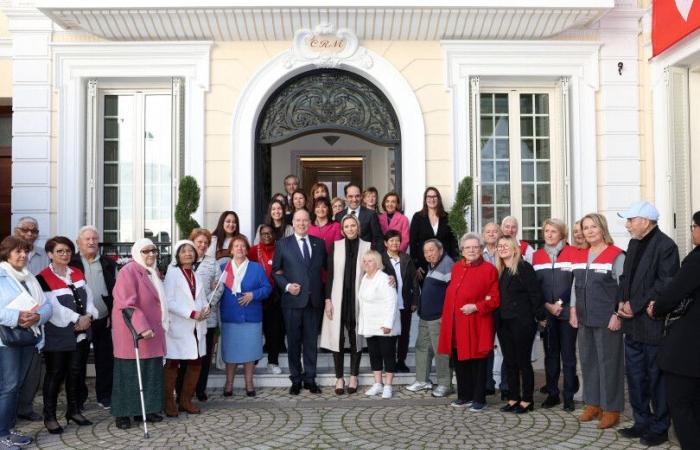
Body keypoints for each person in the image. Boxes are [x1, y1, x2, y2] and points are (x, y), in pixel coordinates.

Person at [615, 201, 679, 446]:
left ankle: (660, 427)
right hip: (631, 325)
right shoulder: (633, 243)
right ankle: (641, 421)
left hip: (652, 325)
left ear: (645, 221)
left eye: (630, 220)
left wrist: (636, 304)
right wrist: (621, 301)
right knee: (635, 376)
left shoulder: (666, 246)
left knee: (656, 378)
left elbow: (665, 283)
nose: (627, 225)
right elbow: (625, 278)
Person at [36, 236, 98, 434]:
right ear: (50, 254)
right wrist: (76, 319)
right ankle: (50, 416)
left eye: (68, 251)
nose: (65, 254)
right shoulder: (43, 277)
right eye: (60, 251)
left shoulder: (77, 272)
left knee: (76, 371)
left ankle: (73, 410)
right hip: (58, 333)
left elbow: (89, 297)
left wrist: (88, 315)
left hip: (81, 331)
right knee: (55, 374)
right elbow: (51, 307)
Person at [649, 211, 700, 450]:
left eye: (693, 227)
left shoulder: (697, 259)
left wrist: (656, 308)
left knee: (681, 403)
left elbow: (673, 293)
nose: (692, 232)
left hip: (689, 349)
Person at [569, 213, 625, 429]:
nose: (589, 231)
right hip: (584, 318)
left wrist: (617, 314)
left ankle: (612, 409)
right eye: (586, 227)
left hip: (607, 319)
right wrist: (573, 310)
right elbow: (575, 285)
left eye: (594, 227)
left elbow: (624, 288)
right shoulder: (580, 255)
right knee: (589, 363)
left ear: (602, 229)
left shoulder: (616, 255)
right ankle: (593, 404)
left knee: (609, 365)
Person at [437, 233, 500, 411]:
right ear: (462, 250)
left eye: (475, 247)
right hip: (457, 324)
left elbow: (494, 299)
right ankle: (464, 395)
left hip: (477, 322)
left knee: (478, 362)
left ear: (481, 249)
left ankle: (479, 399)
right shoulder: (457, 267)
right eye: (468, 247)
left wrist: (476, 306)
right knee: (460, 360)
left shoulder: (490, 270)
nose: (472, 250)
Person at [0, 236, 52, 449]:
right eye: (17, 251)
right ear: (6, 254)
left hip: (29, 338)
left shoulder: (30, 277)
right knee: (9, 387)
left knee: (16, 386)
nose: (23, 255)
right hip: (7, 342)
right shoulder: (1, 275)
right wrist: (18, 317)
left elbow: (47, 305)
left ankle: (8, 430)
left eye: (26, 251)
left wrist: (38, 317)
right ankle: (2, 435)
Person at [111, 239, 167, 430]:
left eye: (153, 250)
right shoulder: (128, 271)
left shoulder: (154, 271)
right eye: (146, 251)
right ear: (137, 253)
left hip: (153, 331)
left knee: (150, 371)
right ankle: (123, 413)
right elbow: (126, 303)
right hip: (133, 332)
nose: (151, 254)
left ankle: (147, 409)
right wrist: (142, 327)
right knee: (129, 373)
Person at [272, 209, 327, 395]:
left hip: (313, 301)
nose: (302, 223)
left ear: (310, 222)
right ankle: (296, 379)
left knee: (311, 342)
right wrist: (287, 286)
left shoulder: (319, 243)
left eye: (305, 220)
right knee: (294, 343)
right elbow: (276, 271)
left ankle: (310, 379)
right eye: (298, 220)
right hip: (292, 301)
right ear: (293, 223)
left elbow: (326, 271)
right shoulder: (282, 244)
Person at [532, 219, 580, 412]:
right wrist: (546, 307)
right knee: (551, 356)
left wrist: (559, 304)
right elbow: (535, 287)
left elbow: (575, 283)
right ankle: (553, 394)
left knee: (568, 356)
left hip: (567, 312)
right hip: (547, 314)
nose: (549, 234)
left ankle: (569, 396)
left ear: (562, 234)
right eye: (546, 231)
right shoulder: (537, 256)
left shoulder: (573, 253)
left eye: (553, 231)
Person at [321, 214, 370, 395]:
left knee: (355, 336)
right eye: (346, 226)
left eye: (353, 225)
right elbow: (330, 276)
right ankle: (339, 377)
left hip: (358, 299)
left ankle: (354, 376)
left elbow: (375, 269)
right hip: (337, 297)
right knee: (337, 338)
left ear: (358, 227)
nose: (350, 229)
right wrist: (327, 299)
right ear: (342, 229)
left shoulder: (367, 246)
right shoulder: (336, 246)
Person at [495, 236, 546, 414]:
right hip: (503, 323)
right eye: (499, 246)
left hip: (522, 322)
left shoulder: (524, 267)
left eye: (506, 246)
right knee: (509, 362)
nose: (502, 249)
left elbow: (535, 293)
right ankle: (513, 398)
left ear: (515, 248)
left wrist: (540, 316)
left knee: (523, 362)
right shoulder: (500, 270)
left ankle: (527, 399)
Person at [69, 226, 117, 411]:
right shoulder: (71, 263)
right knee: (78, 361)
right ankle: (78, 399)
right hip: (79, 321)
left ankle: (104, 396)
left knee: (105, 360)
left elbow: (116, 292)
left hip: (103, 319)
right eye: (87, 239)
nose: (91, 242)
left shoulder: (108, 263)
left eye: (94, 239)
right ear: (78, 242)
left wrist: (113, 314)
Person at [163, 240, 210, 417]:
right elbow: (169, 301)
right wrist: (191, 313)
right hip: (179, 327)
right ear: (177, 255)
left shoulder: (196, 275)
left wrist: (206, 308)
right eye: (184, 251)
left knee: (195, 364)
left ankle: (185, 401)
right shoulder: (173, 273)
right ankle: (168, 402)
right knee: (172, 364)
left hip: (196, 327)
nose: (188, 254)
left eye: (191, 251)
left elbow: (202, 298)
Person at [220, 236, 271, 397]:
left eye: (243, 246)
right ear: (231, 249)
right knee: (231, 353)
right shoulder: (224, 268)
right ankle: (229, 383)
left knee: (249, 352)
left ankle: (249, 383)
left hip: (251, 317)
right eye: (236, 246)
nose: (240, 249)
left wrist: (253, 295)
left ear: (246, 249)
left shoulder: (256, 268)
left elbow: (267, 288)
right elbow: (215, 290)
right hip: (231, 317)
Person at [406, 239, 454, 397]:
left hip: (438, 317)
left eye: (431, 250)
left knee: (441, 351)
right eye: (426, 251)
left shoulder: (447, 264)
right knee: (422, 347)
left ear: (440, 250)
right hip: (425, 316)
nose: (428, 254)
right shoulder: (433, 265)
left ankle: (445, 384)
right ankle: (422, 380)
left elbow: (452, 293)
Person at [13, 217, 49, 423]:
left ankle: (25, 408)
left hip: (37, 320)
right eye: (25, 230)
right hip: (12, 321)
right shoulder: (5, 254)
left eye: (34, 231)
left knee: (33, 368)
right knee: (10, 372)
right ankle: (9, 410)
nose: (29, 234)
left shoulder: (44, 256)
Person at [186, 229, 223, 402]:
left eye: (205, 243)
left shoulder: (213, 263)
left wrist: (207, 305)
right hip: (187, 318)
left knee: (205, 356)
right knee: (188, 356)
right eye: (199, 242)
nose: (202, 245)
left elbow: (219, 286)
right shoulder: (180, 260)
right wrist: (192, 309)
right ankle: (185, 390)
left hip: (207, 317)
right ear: (192, 241)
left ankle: (200, 389)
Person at [358, 250, 400, 399]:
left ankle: (388, 385)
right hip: (370, 324)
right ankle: (377, 384)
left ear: (377, 263)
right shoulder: (365, 278)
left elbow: (392, 302)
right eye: (364, 261)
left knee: (388, 355)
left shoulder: (384, 279)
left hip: (384, 324)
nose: (366, 264)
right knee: (374, 355)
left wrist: (388, 323)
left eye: (370, 261)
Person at [380, 230, 418, 373]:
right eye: (391, 241)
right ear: (385, 243)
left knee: (404, 334)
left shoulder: (406, 258)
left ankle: (401, 361)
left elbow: (414, 282)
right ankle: (388, 363)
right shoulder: (381, 259)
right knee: (389, 336)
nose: (394, 243)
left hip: (405, 303)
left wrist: (415, 301)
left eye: (397, 240)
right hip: (388, 306)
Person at [248, 225, 284, 375]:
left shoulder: (281, 248)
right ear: (259, 235)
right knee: (256, 330)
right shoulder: (252, 250)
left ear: (274, 235)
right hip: (257, 295)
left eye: (270, 233)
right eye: (264, 234)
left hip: (275, 294)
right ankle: (253, 361)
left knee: (274, 330)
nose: (267, 236)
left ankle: (273, 361)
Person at [409, 187, 458, 283]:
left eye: (434, 196)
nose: (432, 199)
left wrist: (454, 261)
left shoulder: (447, 217)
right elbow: (413, 242)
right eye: (429, 197)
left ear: (438, 199)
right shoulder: (418, 217)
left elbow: (453, 241)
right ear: (425, 199)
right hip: (423, 264)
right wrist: (416, 265)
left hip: (445, 262)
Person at [481, 222, 503, 396]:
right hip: (486, 306)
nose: (491, 234)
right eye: (488, 232)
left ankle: (506, 385)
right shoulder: (478, 254)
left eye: (495, 231)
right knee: (487, 345)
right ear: (483, 234)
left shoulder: (505, 251)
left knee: (506, 346)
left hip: (504, 304)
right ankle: (487, 382)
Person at [334, 184, 384, 251]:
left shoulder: (371, 214)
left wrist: (375, 256)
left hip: (365, 256)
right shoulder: (339, 216)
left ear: (361, 197)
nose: (354, 199)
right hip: (344, 256)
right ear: (345, 197)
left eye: (357, 196)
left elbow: (378, 238)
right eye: (350, 196)